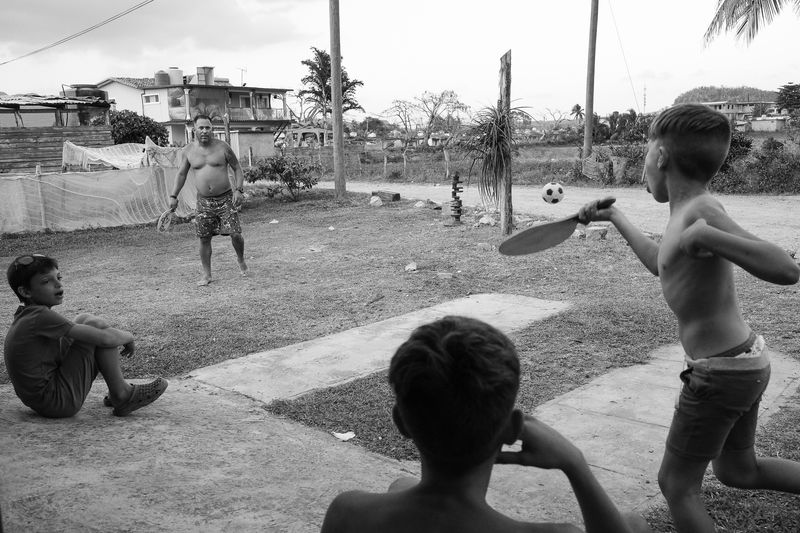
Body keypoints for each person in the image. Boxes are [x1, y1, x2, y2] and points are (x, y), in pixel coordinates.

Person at [577, 103, 800, 533]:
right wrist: (617, 217)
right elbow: (662, 264)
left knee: (676, 484)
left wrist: (707, 235)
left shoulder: (701, 212)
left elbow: (787, 269)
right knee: (738, 469)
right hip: (741, 361)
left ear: (661, 156)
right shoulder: (684, 213)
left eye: (645, 156)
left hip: (720, 371)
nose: (643, 169)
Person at [320, 316, 651, 533]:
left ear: (401, 423)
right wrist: (575, 463)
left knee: (401, 485)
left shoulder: (347, 513)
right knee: (635, 525)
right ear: (512, 429)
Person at [4, 254, 168, 418]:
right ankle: (122, 394)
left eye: (58, 277)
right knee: (96, 330)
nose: (58, 284)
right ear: (25, 291)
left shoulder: (28, 315)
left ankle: (117, 391)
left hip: (44, 398)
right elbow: (104, 339)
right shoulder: (39, 316)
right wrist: (129, 336)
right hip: (56, 402)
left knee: (84, 320)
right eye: (47, 281)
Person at [169, 114, 248, 286]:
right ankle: (207, 275)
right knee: (204, 238)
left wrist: (239, 190)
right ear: (194, 129)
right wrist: (173, 196)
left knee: (235, 233)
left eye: (208, 127)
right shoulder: (188, 151)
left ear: (212, 129)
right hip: (203, 202)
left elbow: (237, 168)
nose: (205, 131)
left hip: (226, 198)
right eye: (201, 128)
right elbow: (181, 174)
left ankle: (240, 258)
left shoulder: (223, 147)